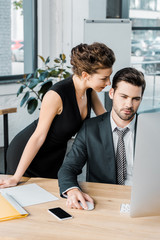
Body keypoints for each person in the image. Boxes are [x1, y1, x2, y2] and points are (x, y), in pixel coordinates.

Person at [0, 42, 115, 188]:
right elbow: (38, 136)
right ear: (86, 75)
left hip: (54, 155)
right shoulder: (56, 94)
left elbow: (105, 121)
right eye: (104, 78)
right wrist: (16, 176)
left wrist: (119, 100)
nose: (108, 82)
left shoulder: (89, 91)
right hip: (28, 154)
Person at [58, 67, 146, 210]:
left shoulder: (151, 129)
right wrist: (72, 190)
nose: (129, 105)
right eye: (123, 97)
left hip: (142, 200)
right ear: (112, 93)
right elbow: (68, 168)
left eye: (136, 99)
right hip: (102, 200)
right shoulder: (90, 129)